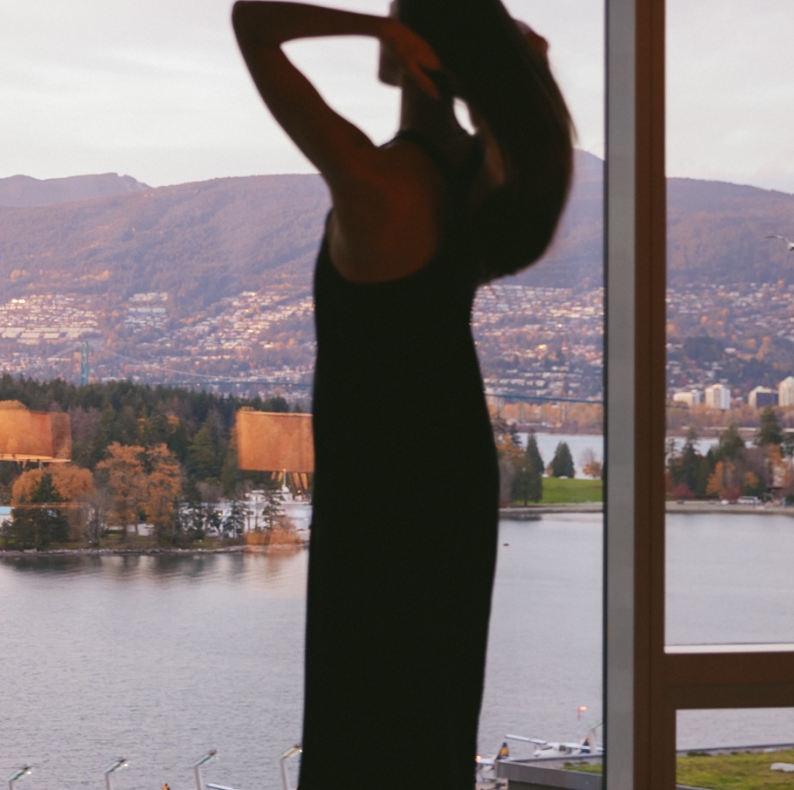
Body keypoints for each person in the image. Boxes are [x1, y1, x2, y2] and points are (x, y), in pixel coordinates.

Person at [233, 1, 573, 786]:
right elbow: (537, 93)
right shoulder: (483, 178)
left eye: (396, 11)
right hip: (450, 478)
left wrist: (377, 33)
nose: (385, 18)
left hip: (381, 491)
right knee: (430, 724)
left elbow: (252, 19)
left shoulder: (378, 183)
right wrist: (494, 55)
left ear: (422, 47)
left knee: (360, 725)